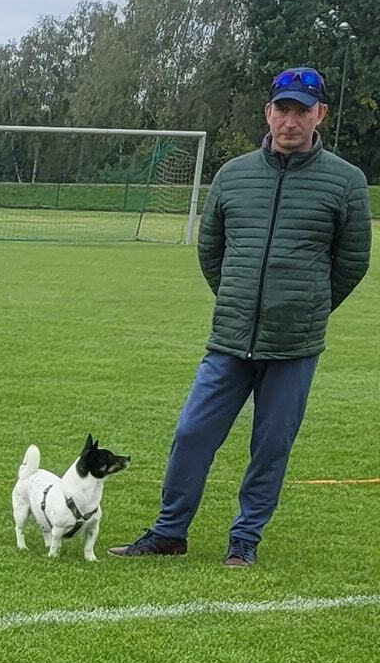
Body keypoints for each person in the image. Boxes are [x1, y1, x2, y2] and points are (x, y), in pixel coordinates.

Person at [111, 66, 370, 567]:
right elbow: (212, 252)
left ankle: (244, 541)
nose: (290, 120)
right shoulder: (233, 175)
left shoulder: (346, 181)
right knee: (192, 433)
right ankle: (169, 533)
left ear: (320, 114)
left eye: (301, 110)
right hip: (230, 339)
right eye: (282, 109)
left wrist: (307, 307)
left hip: (293, 346)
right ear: (268, 112)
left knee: (270, 447)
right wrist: (238, 299)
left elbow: (352, 261)